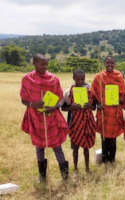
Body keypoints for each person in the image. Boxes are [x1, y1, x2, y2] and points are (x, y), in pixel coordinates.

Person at [20, 54, 69, 182]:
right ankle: (42, 176)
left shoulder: (54, 79)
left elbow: (60, 98)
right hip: (36, 118)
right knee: (39, 147)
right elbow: (23, 99)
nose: (45, 67)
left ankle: (65, 176)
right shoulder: (27, 79)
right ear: (34, 63)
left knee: (57, 146)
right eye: (42, 64)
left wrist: (55, 107)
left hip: (51, 117)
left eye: (47, 64)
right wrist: (32, 104)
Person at [91, 56, 125, 163]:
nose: (109, 65)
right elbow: (93, 92)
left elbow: (123, 94)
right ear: (104, 63)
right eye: (107, 63)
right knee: (104, 138)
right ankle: (105, 159)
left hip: (115, 112)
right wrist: (98, 104)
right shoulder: (99, 77)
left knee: (113, 139)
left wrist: (118, 100)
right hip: (103, 112)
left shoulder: (119, 76)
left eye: (111, 63)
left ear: (114, 64)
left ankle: (112, 159)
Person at [62, 69, 96, 172]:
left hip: (87, 122)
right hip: (75, 123)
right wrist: (72, 107)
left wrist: (89, 105)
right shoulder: (68, 92)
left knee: (86, 148)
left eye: (82, 79)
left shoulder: (90, 91)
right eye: (78, 79)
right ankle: (76, 168)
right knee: (75, 147)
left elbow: (94, 107)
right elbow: (63, 108)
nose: (80, 81)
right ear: (73, 78)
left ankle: (87, 168)